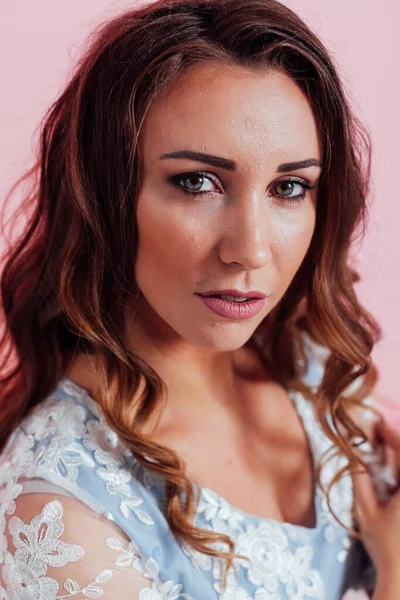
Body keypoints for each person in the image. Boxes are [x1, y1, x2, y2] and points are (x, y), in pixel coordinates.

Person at [0, 0, 399, 598]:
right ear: (107, 195)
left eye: (289, 187)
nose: (252, 250)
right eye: (198, 182)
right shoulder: (57, 510)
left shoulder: (312, 368)